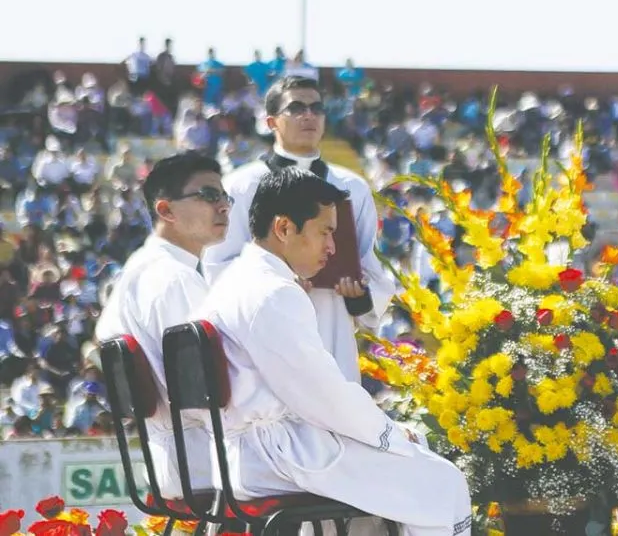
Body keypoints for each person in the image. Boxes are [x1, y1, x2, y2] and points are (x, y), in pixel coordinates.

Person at [193, 167, 471, 536]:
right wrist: (388, 433)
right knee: (443, 481)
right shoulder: (271, 293)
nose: (333, 247)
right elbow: (324, 396)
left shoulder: (241, 281)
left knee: (407, 482)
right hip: (280, 456)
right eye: (325, 231)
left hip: (255, 451)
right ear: (284, 228)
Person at [203, 75, 395, 382]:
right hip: (265, 332)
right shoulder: (241, 185)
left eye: (316, 108)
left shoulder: (352, 187)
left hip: (331, 327)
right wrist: (277, 280)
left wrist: (360, 296)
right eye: (296, 108)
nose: (309, 115)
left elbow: (370, 265)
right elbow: (218, 266)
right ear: (271, 122)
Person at [94, 152, 232, 498]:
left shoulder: (143, 267)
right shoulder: (173, 279)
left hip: (177, 458)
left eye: (224, 196)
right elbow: (215, 390)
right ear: (166, 210)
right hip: (211, 461)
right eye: (208, 195)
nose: (223, 207)